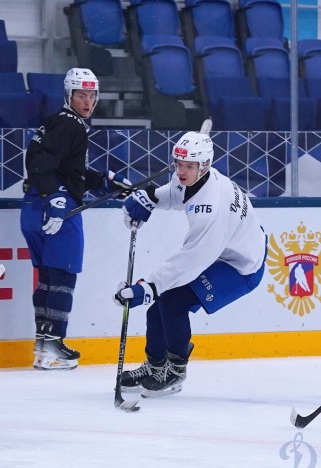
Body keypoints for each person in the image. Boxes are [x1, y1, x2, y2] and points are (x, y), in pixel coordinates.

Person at [114, 129, 267, 397]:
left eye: (189, 166)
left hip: (241, 266)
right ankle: (155, 365)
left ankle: (174, 371)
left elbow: (192, 261)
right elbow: (176, 193)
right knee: (160, 306)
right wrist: (150, 197)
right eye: (179, 164)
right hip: (226, 247)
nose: (182, 171)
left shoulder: (212, 209)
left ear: (205, 165)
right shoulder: (195, 176)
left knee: (171, 301)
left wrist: (147, 286)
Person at [21, 67, 132, 371]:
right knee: (63, 278)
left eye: (93, 95)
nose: (88, 101)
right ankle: (53, 346)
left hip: (32, 208)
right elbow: (40, 165)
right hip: (56, 208)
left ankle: (44, 345)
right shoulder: (71, 125)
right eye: (82, 94)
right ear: (69, 95)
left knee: (47, 278)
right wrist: (55, 198)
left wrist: (106, 180)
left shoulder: (57, 122)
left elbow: (68, 169)